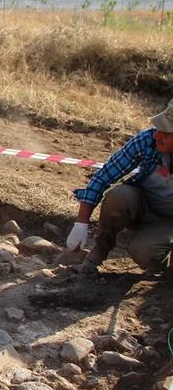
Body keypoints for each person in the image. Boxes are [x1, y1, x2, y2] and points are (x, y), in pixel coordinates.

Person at [67, 99, 173, 276]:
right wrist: (81, 223)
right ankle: (99, 252)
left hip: (169, 223)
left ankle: (160, 262)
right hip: (143, 208)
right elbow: (103, 176)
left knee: (143, 251)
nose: (157, 135)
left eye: (166, 132)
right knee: (120, 196)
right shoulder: (147, 141)